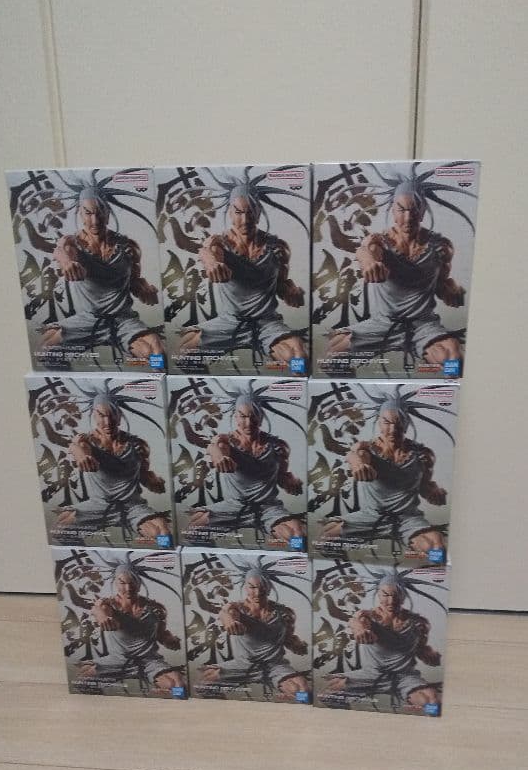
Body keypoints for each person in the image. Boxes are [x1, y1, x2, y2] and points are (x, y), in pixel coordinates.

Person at [325, 163, 476, 368]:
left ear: (423, 211)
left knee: (454, 361)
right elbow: (365, 251)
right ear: (392, 210)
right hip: (382, 324)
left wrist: (451, 291)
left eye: (414, 210)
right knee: (330, 357)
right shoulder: (379, 241)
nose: (408, 218)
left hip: (423, 325)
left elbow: (441, 284)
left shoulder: (441, 247)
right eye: (401, 209)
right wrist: (369, 262)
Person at [178, 171, 308, 368]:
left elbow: (280, 285)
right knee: (182, 352)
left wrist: (291, 292)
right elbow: (207, 253)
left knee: (299, 358)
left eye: (250, 211)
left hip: (267, 323)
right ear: (230, 212)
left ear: (258, 212)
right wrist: (212, 264)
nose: (245, 219)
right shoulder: (219, 243)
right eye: (238, 212)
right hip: (229, 323)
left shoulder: (278, 247)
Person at [43, 173, 164, 363]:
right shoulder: (72, 244)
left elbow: (134, 282)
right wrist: (67, 263)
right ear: (80, 213)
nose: (95, 220)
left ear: (108, 212)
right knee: (45, 350)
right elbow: (61, 252)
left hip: (123, 320)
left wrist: (144, 289)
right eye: (88, 213)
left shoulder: (128, 246)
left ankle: (156, 377)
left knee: (156, 351)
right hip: (88, 320)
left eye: (100, 212)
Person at [321, 395, 448, 556]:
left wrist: (434, 493)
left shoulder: (423, 455)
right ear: (379, 422)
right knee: (325, 540)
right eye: (387, 422)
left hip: (408, 519)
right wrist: (359, 465)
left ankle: (428, 564)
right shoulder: (366, 449)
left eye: (399, 423)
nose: (393, 430)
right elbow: (354, 456)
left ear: (406, 423)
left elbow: (425, 487)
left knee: (437, 548)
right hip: (371, 517)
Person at [55, 388, 171, 545]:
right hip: (98, 506)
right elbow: (77, 448)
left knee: (163, 533)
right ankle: (91, 556)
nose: (108, 422)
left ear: (119, 415)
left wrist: (155, 482)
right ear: (94, 415)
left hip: (132, 506)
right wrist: (81, 455)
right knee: (60, 529)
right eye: (102, 415)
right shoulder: (86, 441)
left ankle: (166, 553)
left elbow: (145, 475)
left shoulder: (138, 445)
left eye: (112, 415)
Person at [188, 390, 304, 546]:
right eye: (242, 416)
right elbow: (214, 447)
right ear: (235, 416)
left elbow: (282, 477)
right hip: (234, 506)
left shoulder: (278, 446)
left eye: (253, 416)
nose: (248, 423)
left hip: (268, 508)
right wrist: (219, 457)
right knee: (192, 531)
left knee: (297, 537)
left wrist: (291, 482)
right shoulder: (225, 441)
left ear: (261, 417)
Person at [325, 572, 440, 710]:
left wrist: (431, 656)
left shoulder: (418, 623)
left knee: (431, 701)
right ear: (378, 595)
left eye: (396, 595)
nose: (391, 601)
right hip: (371, 675)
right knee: (328, 694)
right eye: (386, 595)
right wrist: (359, 629)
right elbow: (355, 622)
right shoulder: (367, 617)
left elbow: (421, 649)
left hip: (405, 677)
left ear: (403, 595)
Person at [199, 565, 309, 700]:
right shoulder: (237, 608)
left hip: (275, 666)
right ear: (245, 587)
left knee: (303, 691)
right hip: (243, 665)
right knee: (204, 685)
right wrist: (229, 621)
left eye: (262, 587)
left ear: (269, 587)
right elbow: (225, 612)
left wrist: (297, 645)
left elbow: (288, 638)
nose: (257, 593)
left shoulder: (285, 613)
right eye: (252, 587)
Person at [75, 564, 184, 695]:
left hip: (149, 661)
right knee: (82, 681)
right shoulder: (109, 605)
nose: (128, 588)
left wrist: (170, 640)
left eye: (132, 583)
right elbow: (98, 610)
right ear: (115, 582)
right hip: (118, 660)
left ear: (139, 583)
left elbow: (161, 634)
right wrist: (101, 616)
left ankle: (178, 704)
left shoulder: (156, 608)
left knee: (178, 685)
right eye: (122, 583)